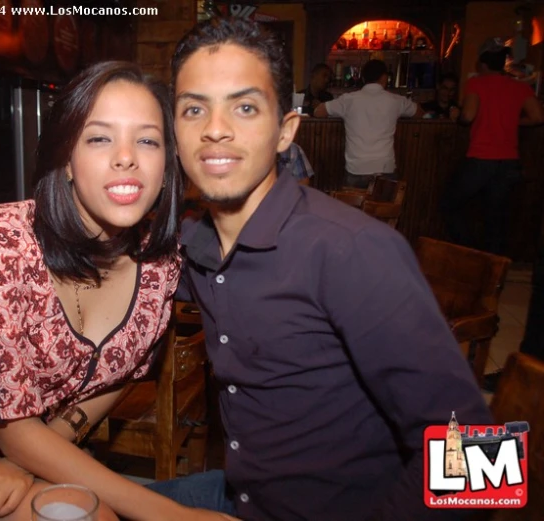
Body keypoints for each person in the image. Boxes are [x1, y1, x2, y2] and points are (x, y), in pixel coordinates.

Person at [147, 17, 494, 521]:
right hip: (241, 495)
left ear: (286, 131)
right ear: (174, 131)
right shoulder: (195, 243)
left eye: (245, 107)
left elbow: (484, 467)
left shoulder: (353, 252)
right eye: (194, 109)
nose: (215, 129)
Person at [0, 61, 236, 521]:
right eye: (99, 137)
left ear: (166, 165)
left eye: (147, 140)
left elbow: (119, 375)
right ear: (66, 160)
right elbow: (12, 427)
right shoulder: (1, 241)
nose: (126, 157)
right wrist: (172, 516)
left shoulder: (162, 262)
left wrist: (34, 457)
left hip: (29, 458)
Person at [442, 37, 543, 257]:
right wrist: (513, 121)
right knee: (496, 218)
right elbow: (537, 117)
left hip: (481, 159)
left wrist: (458, 116)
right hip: (509, 162)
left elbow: (468, 115)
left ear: (482, 62)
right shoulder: (519, 86)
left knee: (449, 204)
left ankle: (472, 253)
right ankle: (492, 272)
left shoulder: (477, 83)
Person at [314, 59, 424, 189]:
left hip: (356, 168)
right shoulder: (396, 100)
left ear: (363, 78)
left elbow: (318, 112)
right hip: (385, 168)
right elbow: (420, 112)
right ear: (384, 78)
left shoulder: (349, 99)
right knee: (383, 209)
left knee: (353, 210)